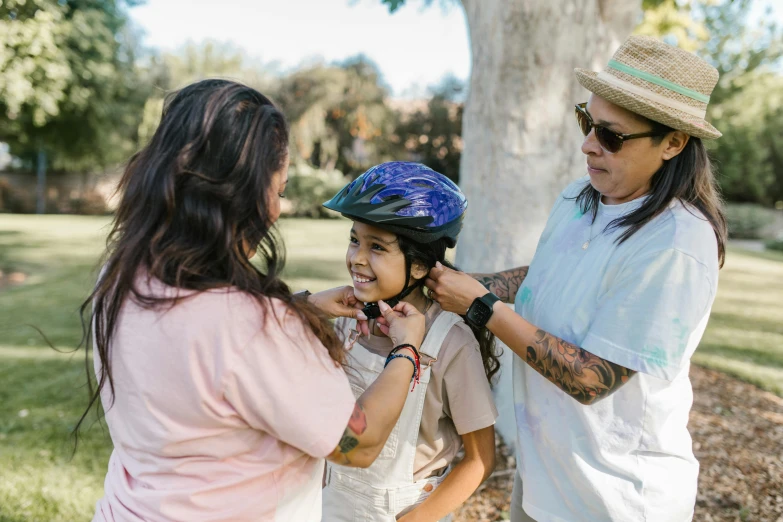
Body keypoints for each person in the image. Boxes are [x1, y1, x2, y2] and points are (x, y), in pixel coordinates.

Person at [79, 79, 426, 522]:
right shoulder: (252, 326)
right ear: (242, 193)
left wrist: (302, 308)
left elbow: (200, 352)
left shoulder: (123, 273)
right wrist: (408, 349)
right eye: (278, 191)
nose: (278, 209)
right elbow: (360, 442)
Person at [425, 36, 727, 521]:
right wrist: (447, 284)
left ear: (673, 143)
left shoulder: (677, 245)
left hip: (615, 499)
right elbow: (544, 278)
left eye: (611, 135)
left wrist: (481, 306)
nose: (587, 143)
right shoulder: (579, 197)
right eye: (586, 121)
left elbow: (592, 377)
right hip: (545, 478)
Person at [319, 162, 500, 522]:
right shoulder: (343, 323)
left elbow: (480, 459)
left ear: (419, 266)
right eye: (355, 239)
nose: (357, 257)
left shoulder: (450, 343)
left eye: (377, 247)